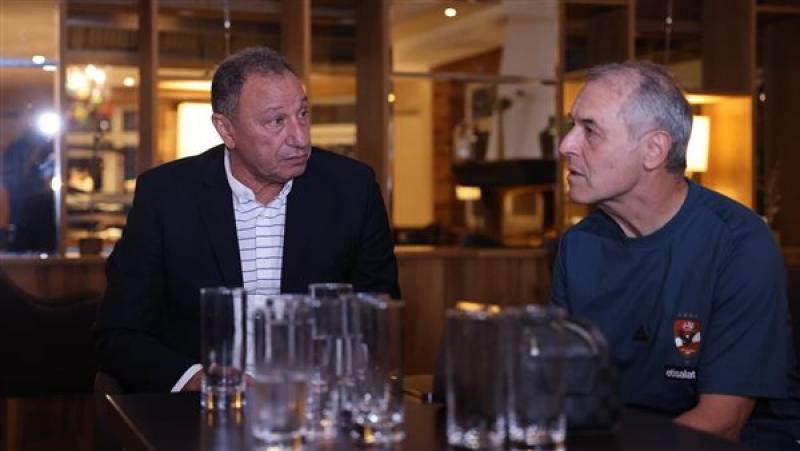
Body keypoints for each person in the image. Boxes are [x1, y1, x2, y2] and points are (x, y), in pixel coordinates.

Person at [95, 47, 400, 394]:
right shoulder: (166, 196)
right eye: (276, 121)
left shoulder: (352, 189)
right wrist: (199, 380)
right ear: (226, 130)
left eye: (302, 114)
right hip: (203, 411)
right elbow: (118, 334)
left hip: (315, 405)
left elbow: (379, 319)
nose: (301, 138)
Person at [551, 61, 799, 449]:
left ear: (653, 150)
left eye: (590, 130)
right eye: (571, 126)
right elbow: (559, 389)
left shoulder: (739, 243)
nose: (565, 145)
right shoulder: (579, 244)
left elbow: (721, 424)